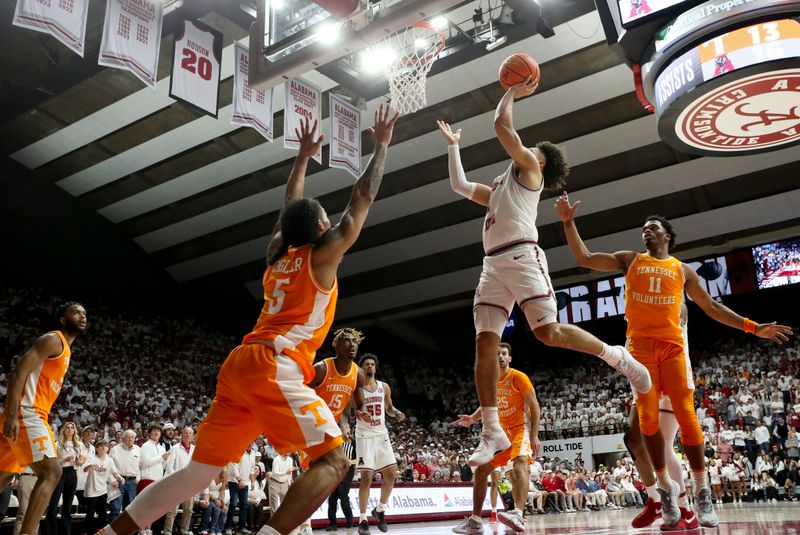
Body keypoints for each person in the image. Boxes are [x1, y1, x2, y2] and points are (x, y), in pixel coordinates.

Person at [103, 106, 400, 535]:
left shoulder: (276, 256)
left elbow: (286, 210)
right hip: (274, 366)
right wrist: (382, 144)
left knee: (198, 472)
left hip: (242, 362)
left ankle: (111, 533)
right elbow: (360, 201)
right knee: (335, 460)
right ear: (320, 225)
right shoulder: (321, 257)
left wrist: (301, 159)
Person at [436, 83, 651, 469]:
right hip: (492, 265)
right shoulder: (502, 185)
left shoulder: (531, 171)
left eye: (533, 147)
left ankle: (616, 357)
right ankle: (491, 430)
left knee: (547, 333)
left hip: (521, 254)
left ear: (541, 160)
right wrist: (453, 145)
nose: (528, 147)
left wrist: (513, 91)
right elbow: (459, 186)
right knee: (484, 346)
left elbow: (501, 125)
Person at [555, 192, 793, 528]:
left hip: (671, 351)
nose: (646, 232)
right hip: (640, 351)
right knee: (644, 427)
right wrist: (568, 222)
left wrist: (754, 328)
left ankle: (700, 490)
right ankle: (666, 494)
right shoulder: (631, 260)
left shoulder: (682, 271)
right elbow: (584, 257)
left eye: (652, 228)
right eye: (643, 229)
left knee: (684, 418)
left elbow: (713, 308)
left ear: (667, 236)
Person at [0, 302, 87, 535]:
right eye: (76, 312)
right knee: (52, 472)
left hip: (30, 414)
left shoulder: (66, 349)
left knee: (3, 475)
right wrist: (11, 414)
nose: (82, 316)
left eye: (84, 313)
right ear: (62, 318)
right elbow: (18, 372)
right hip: (27, 412)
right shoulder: (54, 340)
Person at [451, 343, 541, 533]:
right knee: (482, 470)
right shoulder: (491, 380)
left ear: (509, 358)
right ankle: (475, 520)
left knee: (520, 462)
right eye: (497, 353)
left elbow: (535, 406)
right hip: (501, 434)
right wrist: (473, 418)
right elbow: (487, 404)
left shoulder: (518, 377)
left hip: (520, 429)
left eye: (504, 354)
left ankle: (517, 513)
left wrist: (534, 436)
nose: (500, 356)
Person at [356, 354, 405, 535]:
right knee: (366, 478)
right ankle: (362, 520)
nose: (370, 367)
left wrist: (397, 412)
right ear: (362, 368)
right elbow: (352, 410)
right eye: (367, 364)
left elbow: (389, 408)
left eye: (372, 364)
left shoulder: (384, 387)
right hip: (364, 435)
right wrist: (358, 414)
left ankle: (380, 510)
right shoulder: (357, 388)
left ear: (375, 368)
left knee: (391, 475)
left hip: (381, 434)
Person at [43, 421, 87, 535]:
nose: (70, 429)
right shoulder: (57, 444)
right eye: (67, 427)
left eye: (72, 427)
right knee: (53, 504)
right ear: (63, 430)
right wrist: (64, 460)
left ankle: (65, 532)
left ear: (74, 430)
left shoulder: (79, 444)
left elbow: (82, 461)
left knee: (67, 506)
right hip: (60, 472)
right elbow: (52, 462)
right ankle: (50, 532)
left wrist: (79, 461)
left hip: (72, 473)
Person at [84, 440, 123, 535]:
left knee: (103, 513)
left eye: (105, 446)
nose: (103, 447)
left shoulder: (109, 460)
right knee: (90, 513)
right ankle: (88, 532)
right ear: (97, 448)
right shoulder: (92, 458)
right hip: (91, 490)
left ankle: (100, 532)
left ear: (108, 448)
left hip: (102, 490)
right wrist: (90, 466)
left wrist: (120, 478)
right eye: (101, 446)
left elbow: (114, 473)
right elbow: (85, 469)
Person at [163, 427, 195, 535]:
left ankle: (184, 530)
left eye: (190, 433)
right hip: (177, 483)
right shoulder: (175, 448)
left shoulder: (195, 449)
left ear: (192, 436)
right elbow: (169, 466)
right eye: (185, 433)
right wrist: (176, 478)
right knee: (172, 511)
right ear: (181, 435)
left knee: (189, 510)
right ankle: (167, 532)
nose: (187, 435)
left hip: (190, 484)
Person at [326, 434, 356, 531]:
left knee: (343, 494)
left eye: (346, 429)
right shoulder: (336, 442)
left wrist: (349, 462)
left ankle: (349, 519)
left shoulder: (354, 442)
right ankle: (332, 523)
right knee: (332, 497)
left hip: (348, 471)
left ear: (349, 430)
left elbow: (360, 459)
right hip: (336, 471)